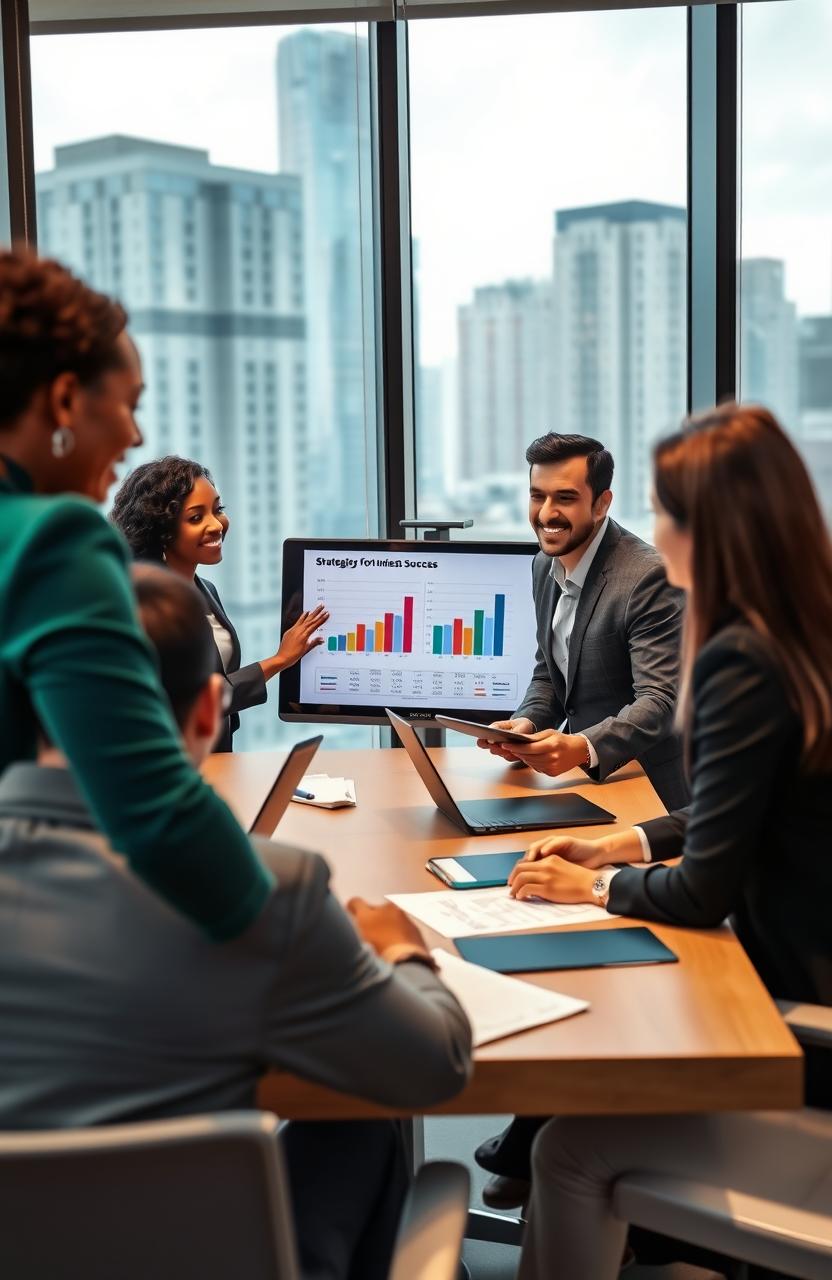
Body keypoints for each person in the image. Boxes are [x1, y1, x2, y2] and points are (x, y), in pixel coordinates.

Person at [0, 562, 473, 1280]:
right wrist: (406, 954)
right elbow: (435, 1064)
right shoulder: (265, 892)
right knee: (361, 1123)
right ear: (206, 713)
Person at [510, 404, 832, 1279]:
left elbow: (704, 893)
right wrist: (622, 847)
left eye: (662, 510)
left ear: (709, 531)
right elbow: (752, 812)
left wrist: (590, 893)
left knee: (566, 1153)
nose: (652, 533)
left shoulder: (739, 660)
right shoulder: (805, 637)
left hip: (796, 1045)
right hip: (800, 998)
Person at [0, 248, 272, 938]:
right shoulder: (49, 541)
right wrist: (292, 923)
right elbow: (153, 807)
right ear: (64, 399)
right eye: (129, 404)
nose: (135, 433)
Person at [474, 432, 689, 1205]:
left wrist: (580, 748)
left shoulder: (645, 579)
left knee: (587, 935)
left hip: (651, 788)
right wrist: (526, 726)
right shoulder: (541, 565)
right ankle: (545, 1121)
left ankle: (551, 1129)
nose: (546, 512)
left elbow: (657, 706)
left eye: (564, 497)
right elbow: (548, 675)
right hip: (582, 775)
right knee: (533, 904)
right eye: (537, 495)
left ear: (602, 501)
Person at [111, 456, 328, 750]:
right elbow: (196, 700)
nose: (217, 525)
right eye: (196, 517)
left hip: (216, 759)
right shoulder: (149, 608)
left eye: (218, 509)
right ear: (162, 531)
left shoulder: (206, 590)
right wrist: (279, 660)